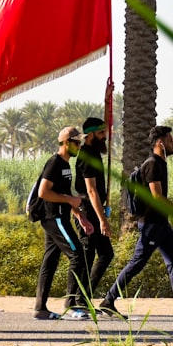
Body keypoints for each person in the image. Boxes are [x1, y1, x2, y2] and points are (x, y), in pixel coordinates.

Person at [98, 125, 173, 320]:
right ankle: (108, 300)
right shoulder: (153, 164)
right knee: (136, 264)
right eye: (170, 140)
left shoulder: (161, 164)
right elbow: (157, 197)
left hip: (160, 225)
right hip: (151, 225)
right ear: (160, 143)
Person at [33, 126, 94, 320]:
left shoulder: (66, 165)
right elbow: (44, 192)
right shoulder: (55, 163)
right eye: (77, 143)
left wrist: (80, 217)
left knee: (50, 261)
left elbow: (66, 195)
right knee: (77, 255)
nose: (80, 146)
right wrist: (69, 201)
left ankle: (40, 308)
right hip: (54, 217)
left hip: (61, 216)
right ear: (66, 143)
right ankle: (71, 303)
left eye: (81, 143)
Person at [72, 116, 113, 299]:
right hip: (88, 211)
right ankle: (78, 299)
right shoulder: (87, 155)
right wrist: (102, 220)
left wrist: (108, 97)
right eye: (101, 132)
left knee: (106, 254)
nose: (105, 136)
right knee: (88, 256)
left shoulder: (94, 152)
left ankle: (84, 296)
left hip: (95, 209)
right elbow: (91, 190)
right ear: (90, 135)